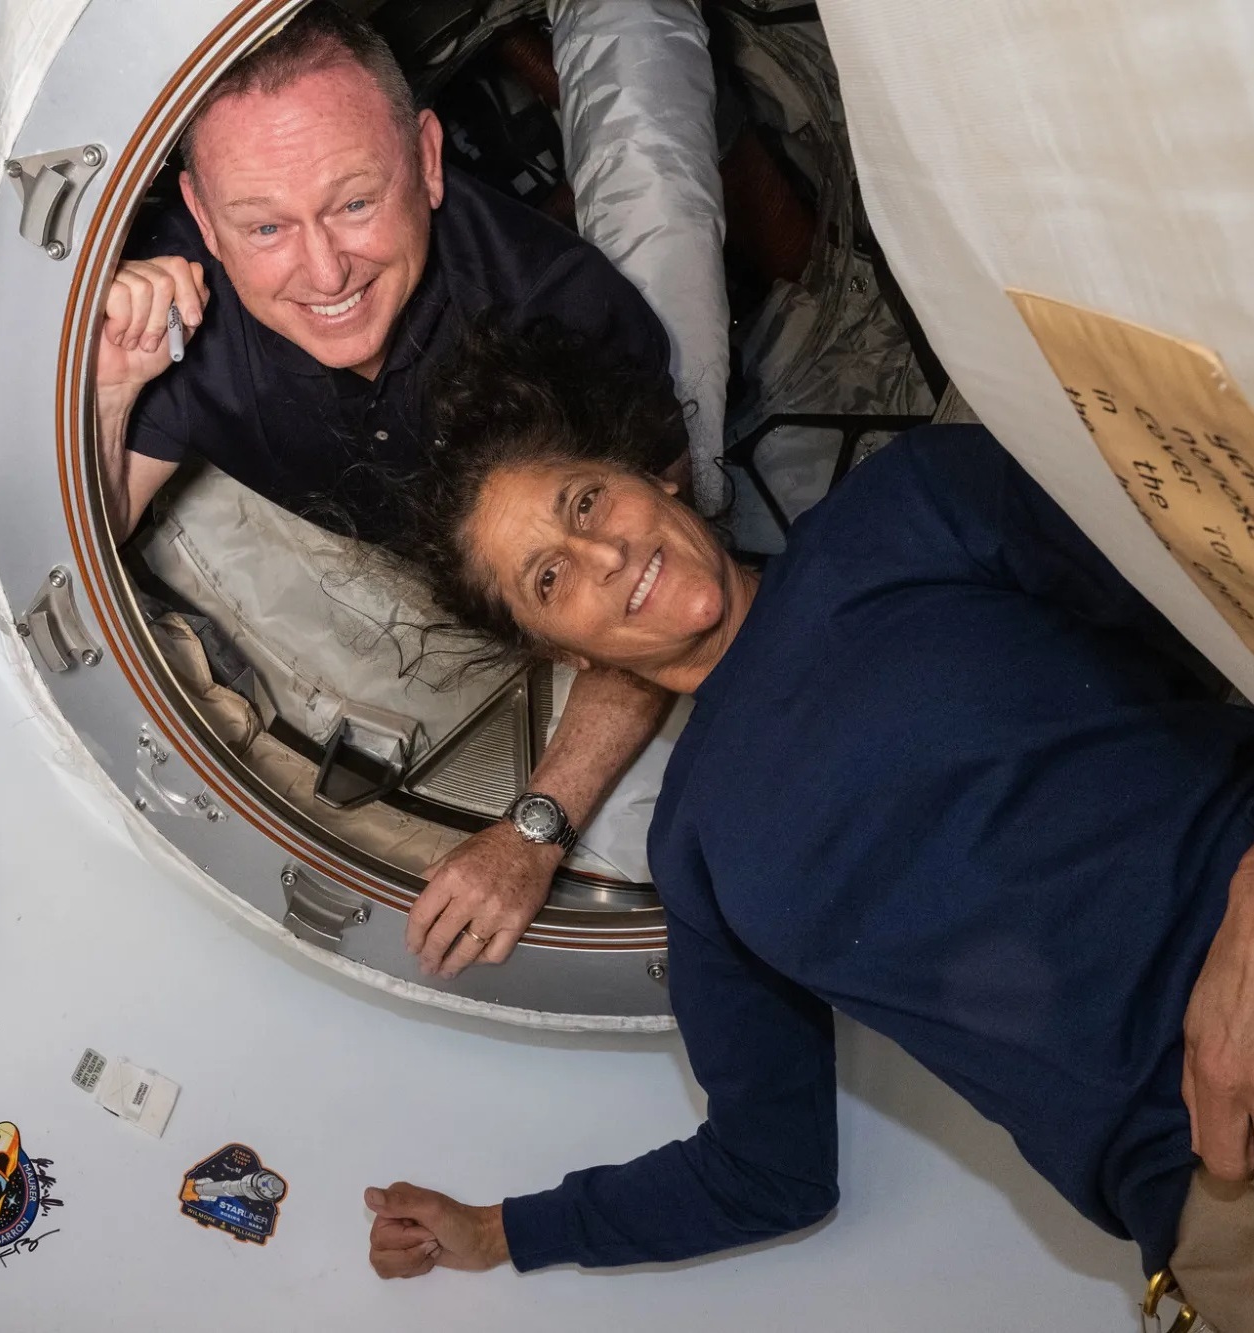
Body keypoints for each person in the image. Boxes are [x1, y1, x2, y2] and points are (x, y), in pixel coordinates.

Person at [361, 322, 1254, 1332]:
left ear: (647, 474)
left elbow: (1229, 591)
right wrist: (504, 1232)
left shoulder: (908, 507)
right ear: (553, 649)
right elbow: (767, 1170)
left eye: (585, 501)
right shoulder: (694, 856)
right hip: (1206, 1198)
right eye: (550, 578)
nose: (605, 554)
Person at [95, 3, 688, 976]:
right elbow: (92, 524)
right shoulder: (179, 307)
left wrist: (531, 831)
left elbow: (664, 594)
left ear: (425, 157)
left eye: (354, 203)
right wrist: (114, 385)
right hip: (396, 546)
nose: (323, 269)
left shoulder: (563, 314)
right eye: (265, 225)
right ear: (202, 216)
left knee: (659, 198)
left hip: (561, 527)